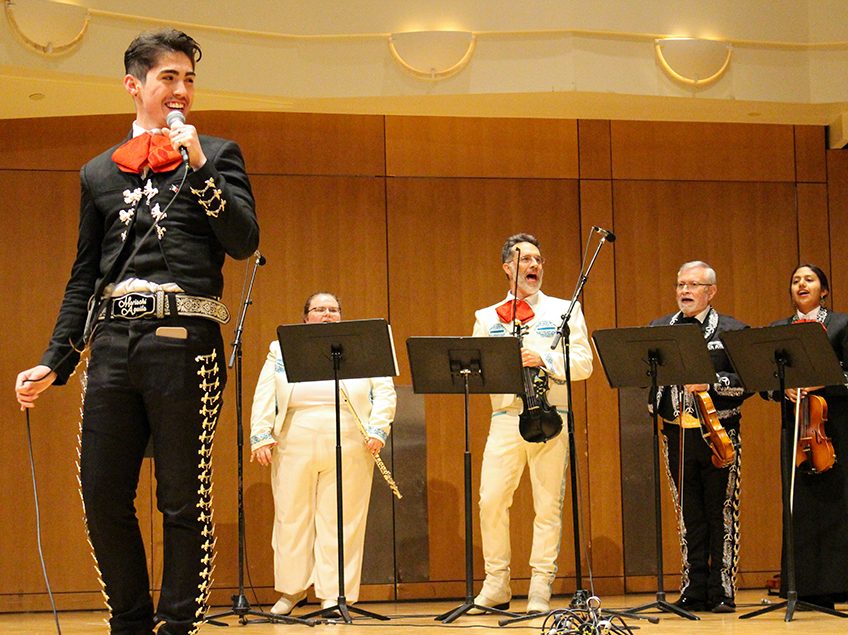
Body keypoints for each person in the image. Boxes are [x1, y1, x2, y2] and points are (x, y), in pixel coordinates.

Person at [14, 28, 259, 635]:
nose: (181, 91)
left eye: (189, 80)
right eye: (167, 78)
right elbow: (82, 278)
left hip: (185, 340)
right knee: (100, 492)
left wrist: (198, 163)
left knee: (181, 498)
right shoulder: (98, 171)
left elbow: (244, 241)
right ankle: (129, 623)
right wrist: (56, 360)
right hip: (112, 346)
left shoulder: (219, 153)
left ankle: (178, 626)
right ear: (135, 85)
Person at [249, 292, 396, 615]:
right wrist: (260, 435)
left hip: (351, 435)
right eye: (319, 310)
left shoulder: (362, 343)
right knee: (292, 517)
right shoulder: (281, 347)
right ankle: (292, 591)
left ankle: (335, 594)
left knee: (342, 519)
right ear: (306, 317)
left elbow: (383, 390)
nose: (327, 315)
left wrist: (378, 430)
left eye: (333, 309)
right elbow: (265, 392)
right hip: (295, 435)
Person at [470, 233, 593, 614]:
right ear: (508, 267)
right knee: (490, 500)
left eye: (538, 260)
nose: (534, 266)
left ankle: (540, 586)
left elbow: (585, 364)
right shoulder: (486, 318)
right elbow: (476, 372)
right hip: (506, 418)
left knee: (548, 505)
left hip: (549, 417)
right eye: (525, 260)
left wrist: (544, 360)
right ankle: (496, 583)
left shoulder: (563, 310)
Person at [648, 261, 748, 614]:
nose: (684, 291)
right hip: (676, 433)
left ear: (711, 292)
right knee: (687, 513)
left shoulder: (733, 330)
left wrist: (712, 383)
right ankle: (693, 588)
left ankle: (722, 590)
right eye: (680, 284)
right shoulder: (660, 328)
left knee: (720, 511)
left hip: (719, 434)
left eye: (693, 285)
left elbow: (747, 382)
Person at [766, 264, 848, 609]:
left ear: (824, 290)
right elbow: (764, 382)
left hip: (834, 427)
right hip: (795, 429)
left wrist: (821, 383)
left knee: (834, 506)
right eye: (796, 280)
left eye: (810, 279)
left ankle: (836, 586)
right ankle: (803, 589)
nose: (802, 284)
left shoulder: (842, 324)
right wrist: (781, 390)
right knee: (797, 506)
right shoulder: (777, 330)